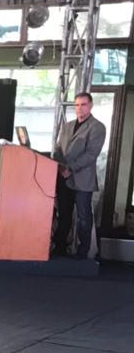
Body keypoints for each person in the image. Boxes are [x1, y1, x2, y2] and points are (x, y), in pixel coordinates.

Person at [52, 91, 106, 259]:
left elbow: (91, 154)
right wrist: (61, 167)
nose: (79, 108)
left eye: (83, 104)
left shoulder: (97, 127)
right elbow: (58, 149)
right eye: (77, 105)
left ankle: (83, 252)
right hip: (64, 177)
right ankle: (60, 247)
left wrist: (70, 168)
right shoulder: (67, 126)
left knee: (83, 217)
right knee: (64, 215)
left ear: (90, 106)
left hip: (83, 179)